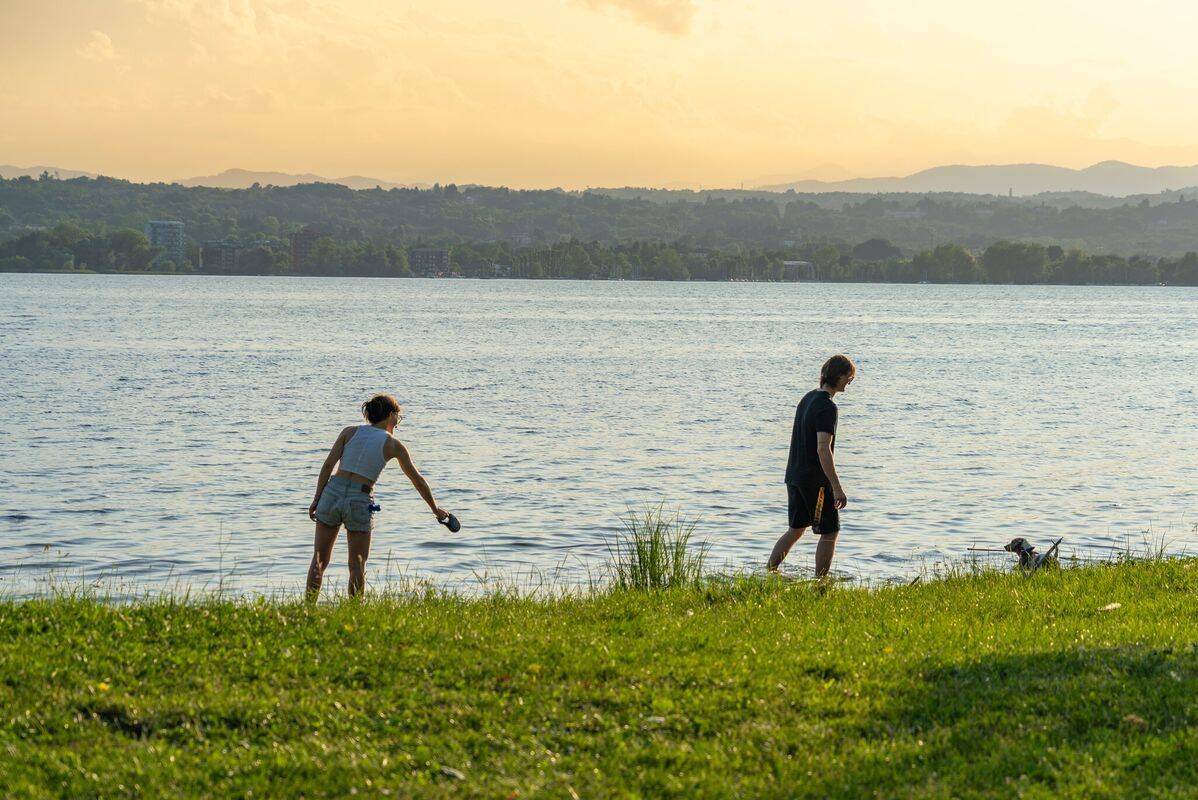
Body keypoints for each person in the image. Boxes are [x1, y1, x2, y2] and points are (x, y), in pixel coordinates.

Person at [306, 394, 450, 598]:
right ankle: (356, 611)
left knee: (319, 560)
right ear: (391, 415)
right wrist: (435, 509)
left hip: (332, 492)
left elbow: (328, 465)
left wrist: (317, 497)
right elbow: (417, 480)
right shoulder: (392, 444)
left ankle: (307, 609)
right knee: (357, 565)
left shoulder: (349, 432)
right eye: (397, 418)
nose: (397, 423)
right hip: (360, 498)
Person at [768, 355, 855, 577]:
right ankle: (821, 582)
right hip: (814, 481)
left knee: (796, 529)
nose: (850, 381)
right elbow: (823, 448)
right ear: (838, 375)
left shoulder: (808, 398)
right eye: (849, 376)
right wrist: (836, 487)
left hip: (794, 475)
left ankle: (769, 571)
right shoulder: (827, 407)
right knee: (830, 531)